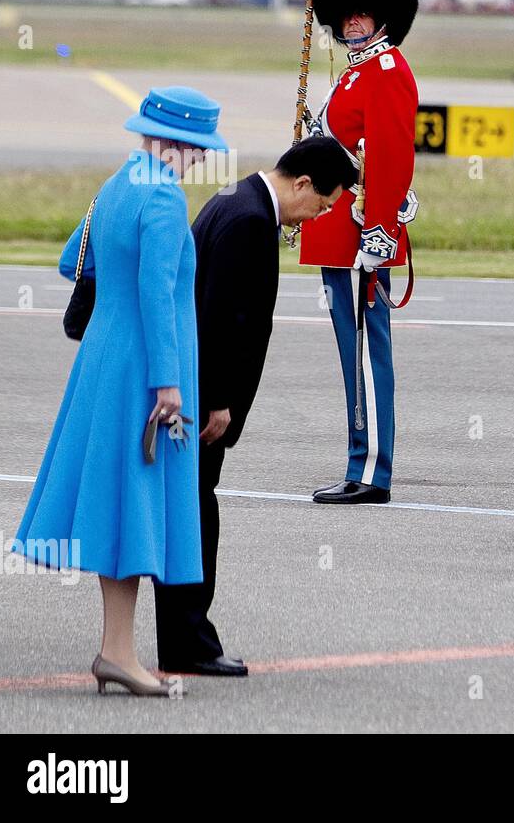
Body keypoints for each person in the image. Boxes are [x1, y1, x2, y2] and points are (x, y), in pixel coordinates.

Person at [10, 86, 227, 696]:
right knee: (139, 506)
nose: (202, 160)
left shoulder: (116, 185)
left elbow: (68, 261)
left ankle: (118, 651)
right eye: (199, 149)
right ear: (181, 143)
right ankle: (119, 652)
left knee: (120, 506)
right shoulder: (161, 196)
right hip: (144, 373)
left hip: (102, 361)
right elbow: (158, 295)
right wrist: (170, 386)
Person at [154, 137, 357, 677]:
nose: (317, 216)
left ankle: (184, 638)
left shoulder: (236, 198)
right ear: (303, 184)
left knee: (190, 510)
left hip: (192, 390)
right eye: (323, 204)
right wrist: (220, 400)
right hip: (201, 399)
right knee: (195, 515)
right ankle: (189, 643)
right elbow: (222, 317)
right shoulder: (248, 220)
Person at [300, 0, 423, 506]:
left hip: (358, 238)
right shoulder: (354, 73)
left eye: (361, 12)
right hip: (337, 237)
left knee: (367, 359)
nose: (351, 21)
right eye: (344, 11)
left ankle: (372, 470)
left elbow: (393, 157)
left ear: (382, 12)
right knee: (353, 358)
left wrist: (380, 229)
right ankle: (360, 462)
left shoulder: (385, 71)